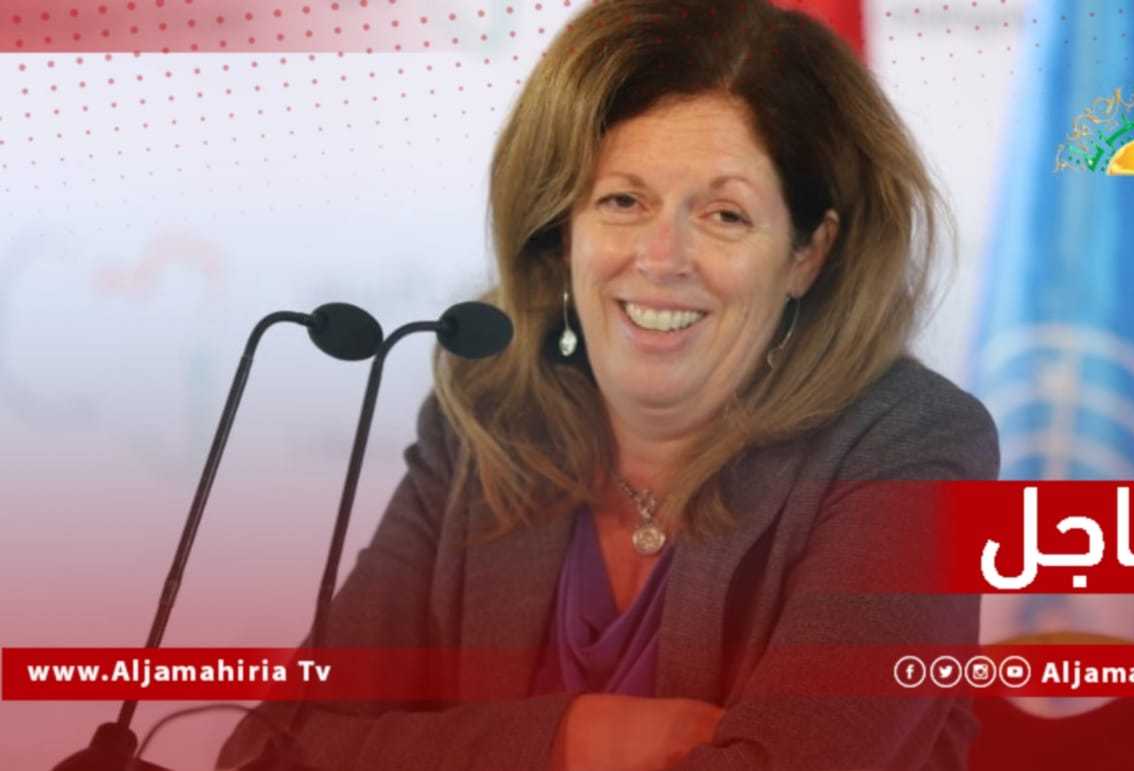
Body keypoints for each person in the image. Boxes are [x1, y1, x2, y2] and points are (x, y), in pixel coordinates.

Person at [218, 0, 998, 768]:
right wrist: (572, 738)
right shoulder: (490, 418)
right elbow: (270, 751)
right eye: (623, 200)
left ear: (807, 255)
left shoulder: (912, 448)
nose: (661, 258)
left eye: (725, 215)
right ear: (563, 229)